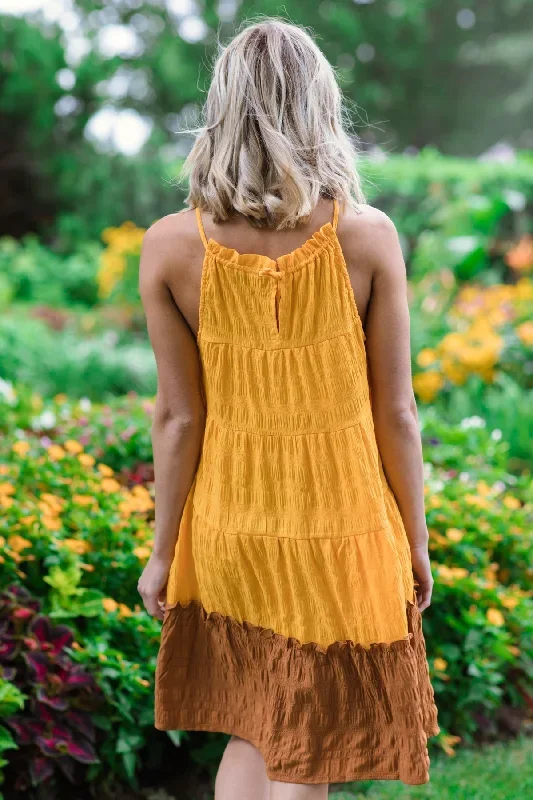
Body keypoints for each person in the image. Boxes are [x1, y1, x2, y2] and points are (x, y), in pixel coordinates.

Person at [137, 17, 439, 800]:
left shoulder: (170, 246)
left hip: (232, 524)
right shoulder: (367, 239)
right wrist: (415, 538)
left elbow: (177, 419)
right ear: (319, 109)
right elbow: (396, 413)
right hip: (339, 525)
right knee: (314, 742)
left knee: (258, 723)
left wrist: (165, 550)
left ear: (223, 109)